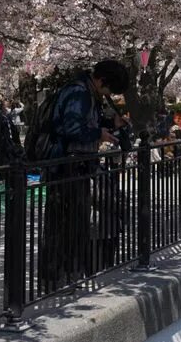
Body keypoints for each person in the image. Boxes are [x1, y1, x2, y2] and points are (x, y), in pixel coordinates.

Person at [37, 60, 130, 293]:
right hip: (67, 167)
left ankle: (67, 277)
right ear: (101, 80)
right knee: (64, 226)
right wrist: (100, 134)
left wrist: (109, 124)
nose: (108, 94)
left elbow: (84, 123)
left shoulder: (84, 92)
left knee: (74, 225)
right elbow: (71, 128)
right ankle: (59, 279)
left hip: (76, 167)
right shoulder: (79, 93)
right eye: (109, 89)